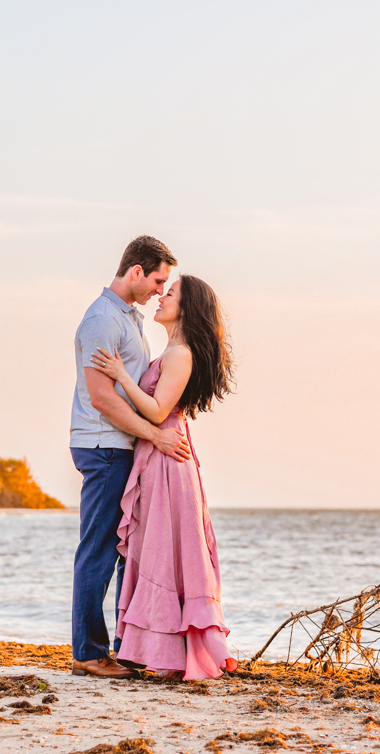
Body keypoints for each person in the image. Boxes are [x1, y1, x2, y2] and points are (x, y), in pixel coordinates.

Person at [89, 274, 237, 680]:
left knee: (167, 550)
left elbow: (156, 411)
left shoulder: (181, 354)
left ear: (185, 308)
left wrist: (119, 375)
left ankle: (174, 652)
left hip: (169, 459)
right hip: (160, 455)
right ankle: (161, 651)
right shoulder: (171, 350)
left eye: (169, 294)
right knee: (159, 550)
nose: (160, 297)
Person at [70, 235, 192, 679]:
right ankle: (87, 651)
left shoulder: (128, 319)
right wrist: (155, 437)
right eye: (158, 280)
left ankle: (127, 647)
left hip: (122, 445)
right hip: (104, 445)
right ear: (136, 272)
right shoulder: (103, 319)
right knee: (100, 547)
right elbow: (102, 398)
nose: (161, 289)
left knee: (127, 549)